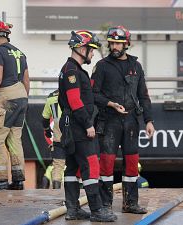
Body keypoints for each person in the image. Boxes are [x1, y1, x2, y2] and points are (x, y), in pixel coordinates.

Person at [92, 25, 155, 214]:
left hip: (131, 123)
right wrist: (110, 103)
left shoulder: (136, 66)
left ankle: (130, 204)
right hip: (108, 121)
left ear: (126, 44)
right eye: (111, 43)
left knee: (131, 162)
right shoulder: (102, 66)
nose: (114, 47)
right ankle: (105, 205)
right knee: (106, 163)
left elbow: (143, 95)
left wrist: (149, 120)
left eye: (118, 44)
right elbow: (93, 94)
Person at [58, 30, 116, 222]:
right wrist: (87, 124)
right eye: (91, 50)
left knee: (73, 168)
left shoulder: (69, 69)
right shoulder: (73, 71)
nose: (92, 54)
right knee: (91, 166)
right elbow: (75, 101)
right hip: (79, 127)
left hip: (70, 126)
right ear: (81, 48)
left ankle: (73, 209)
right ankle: (97, 210)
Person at [0, 20, 30, 192]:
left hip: (6, 98)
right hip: (22, 97)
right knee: (14, 139)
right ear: (7, 35)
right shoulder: (20, 53)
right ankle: (18, 180)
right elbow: (26, 80)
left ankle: (0, 180)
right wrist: (23, 101)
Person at [41, 89, 65, 189]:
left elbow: (45, 119)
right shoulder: (75, 92)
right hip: (74, 130)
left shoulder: (51, 98)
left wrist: (47, 130)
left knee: (58, 164)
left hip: (58, 132)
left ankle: (56, 192)